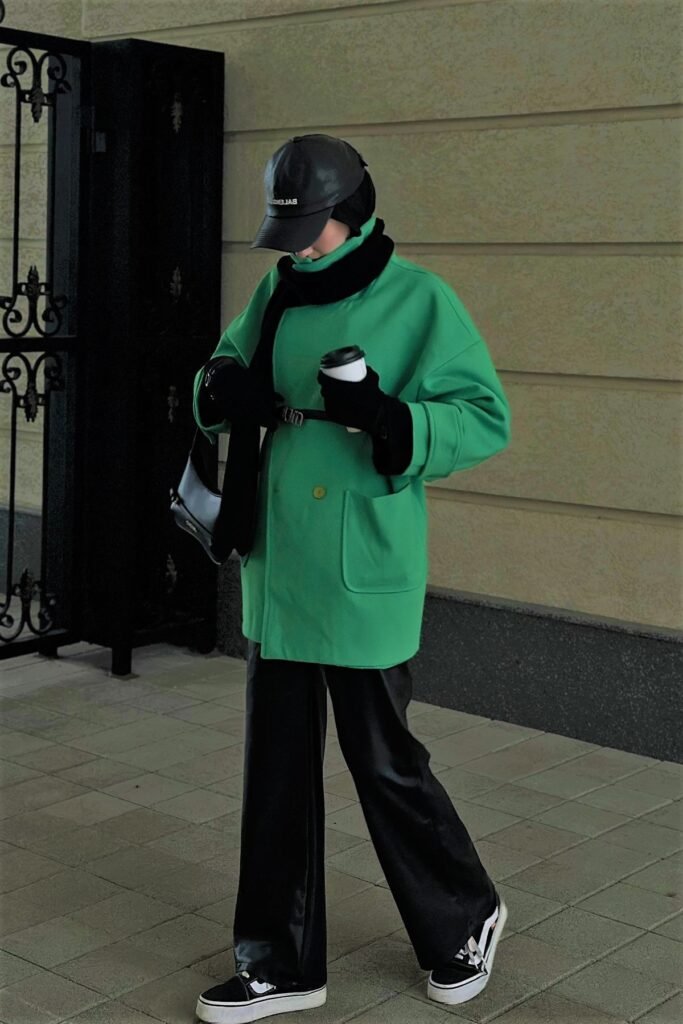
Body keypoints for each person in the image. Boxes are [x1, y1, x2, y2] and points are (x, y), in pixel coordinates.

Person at [193, 134, 511, 1024]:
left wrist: (384, 414)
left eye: (312, 226)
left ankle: (465, 915)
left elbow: (485, 418)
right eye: (287, 227)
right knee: (277, 769)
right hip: (282, 561)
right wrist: (222, 389)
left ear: (353, 209)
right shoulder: (278, 291)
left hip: (363, 556)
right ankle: (278, 963)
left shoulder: (419, 299)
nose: (297, 244)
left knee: (382, 760)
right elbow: (217, 368)